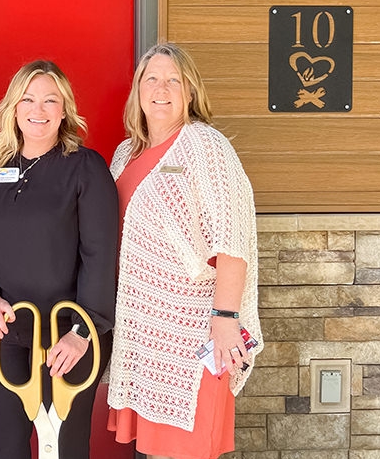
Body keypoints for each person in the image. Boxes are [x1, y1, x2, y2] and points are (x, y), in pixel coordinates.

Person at [0, 60, 119, 459]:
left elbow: (100, 255)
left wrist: (83, 332)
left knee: (63, 448)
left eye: (50, 100)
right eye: (27, 99)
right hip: (4, 330)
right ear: (13, 107)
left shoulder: (86, 168)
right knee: (3, 447)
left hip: (67, 334)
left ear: (64, 110)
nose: (38, 110)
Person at [106, 43, 263, 459]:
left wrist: (225, 319)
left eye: (173, 80)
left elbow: (233, 240)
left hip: (195, 327)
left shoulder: (205, 145)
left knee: (187, 448)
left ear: (190, 92)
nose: (162, 89)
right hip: (144, 331)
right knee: (156, 449)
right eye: (152, 79)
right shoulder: (125, 153)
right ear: (138, 90)